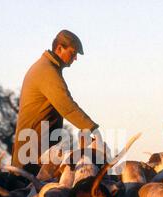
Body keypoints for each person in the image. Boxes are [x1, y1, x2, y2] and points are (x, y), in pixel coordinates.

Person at [11, 30, 99, 175]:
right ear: (59, 48)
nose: (75, 58)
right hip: (33, 151)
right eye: (73, 53)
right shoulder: (47, 71)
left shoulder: (48, 68)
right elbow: (67, 106)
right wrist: (92, 129)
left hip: (38, 147)